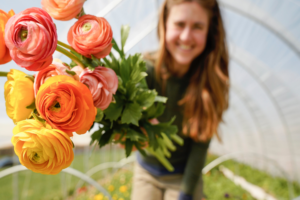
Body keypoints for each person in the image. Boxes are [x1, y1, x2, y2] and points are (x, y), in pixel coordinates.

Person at [131, 0, 229, 199]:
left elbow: (200, 147)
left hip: (183, 174)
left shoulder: (211, 83)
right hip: (146, 171)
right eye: (179, 24)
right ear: (165, 24)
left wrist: (186, 193)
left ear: (210, 32)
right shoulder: (143, 70)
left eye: (198, 27)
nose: (186, 36)